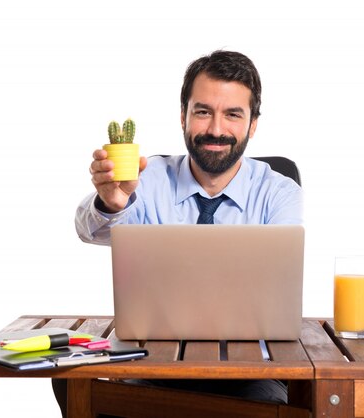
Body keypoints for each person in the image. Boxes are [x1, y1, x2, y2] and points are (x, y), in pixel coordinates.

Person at [55, 50, 303, 416]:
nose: (216, 129)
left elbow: (278, 291)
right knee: (70, 381)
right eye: (203, 112)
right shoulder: (149, 177)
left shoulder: (279, 192)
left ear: (252, 125)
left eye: (233, 114)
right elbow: (89, 231)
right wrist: (112, 202)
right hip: (151, 365)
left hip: (249, 374)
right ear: (183, 116)